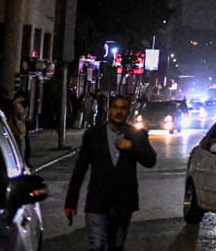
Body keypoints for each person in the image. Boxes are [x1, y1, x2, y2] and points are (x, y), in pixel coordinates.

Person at [64, 93, 157, 251]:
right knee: (97, 245)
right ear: (109, 110)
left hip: (123, 203)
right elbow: (80, 169)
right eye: (115, 107)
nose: (118, 112)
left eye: (123, 108)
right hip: (97, 202)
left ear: (128, 112)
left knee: (117, 246)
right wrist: (71, 202)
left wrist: (132, 148)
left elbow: (150, 160)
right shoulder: (93, 135)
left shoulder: (137, 135)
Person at [8, 89, 30, 164]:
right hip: (18, 129)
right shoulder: (17, 105)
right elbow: (22, 117)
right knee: (20, 148)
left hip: (13, 128)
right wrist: (26, 110)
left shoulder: (12, 104)